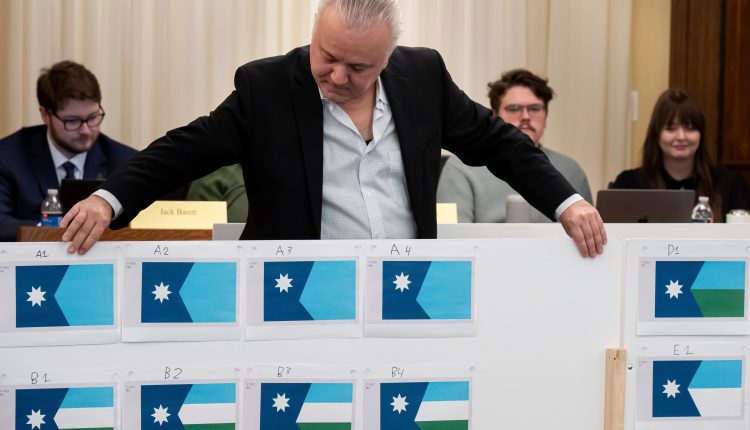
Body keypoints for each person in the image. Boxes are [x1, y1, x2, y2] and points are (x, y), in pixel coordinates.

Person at [61, 0, 606, 257]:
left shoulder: (423, 77)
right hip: (298, 289)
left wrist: (568, 202)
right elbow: (185, 149)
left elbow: (498, 143)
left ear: (387, 59)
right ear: (315, 34)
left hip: (405, 285)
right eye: (327, 56)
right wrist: (109, 199)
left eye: (358, 67)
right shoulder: (267, 87)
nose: (337, 77)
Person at [0, 60, 137, 241]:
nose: (86, 130)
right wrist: (52, 230)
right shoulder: (7, 156)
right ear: (45, 115)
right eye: (72, 121)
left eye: (93, 117)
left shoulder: (125, 161)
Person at [437, 69, 592, 223]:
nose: (525, 116)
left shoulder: (572, 169)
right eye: (513, 109)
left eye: (535, 108)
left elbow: (590, 232)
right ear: (494, 116)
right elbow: (454, 233)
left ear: (546, 116)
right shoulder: (459, 168)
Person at [610, 89, 750, 222]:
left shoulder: (730, 184)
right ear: (656, 134)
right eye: (671, 128)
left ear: (701, 134)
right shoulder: (629, 184)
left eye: (690, 128)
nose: (681, 137)